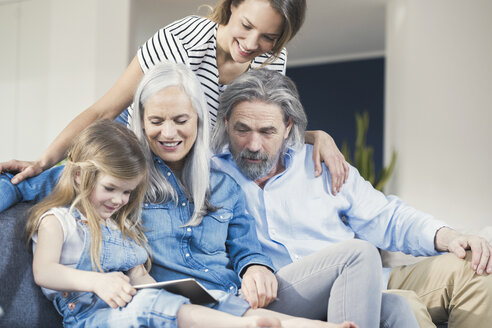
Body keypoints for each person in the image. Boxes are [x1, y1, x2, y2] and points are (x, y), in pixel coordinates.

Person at [3, 63, 360, 328]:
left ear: (199, 121)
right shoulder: (119, 173)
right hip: (170, 307)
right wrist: (38, 164)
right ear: (141, 121)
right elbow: (29, 183)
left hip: (224, 299)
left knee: (387, 305)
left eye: (180, 120)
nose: (168, 133)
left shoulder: (223, 182)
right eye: (156, 120)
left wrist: (255, 266)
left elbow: (246, 246)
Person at [210, 68, 492, 327]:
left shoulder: (321, 162)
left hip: (372, 277)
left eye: (267, 131)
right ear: (226, 123)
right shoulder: (210, 175)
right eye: (242, 130)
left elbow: (386, 217)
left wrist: (450, 236)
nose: (254, 145)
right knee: (400, 305)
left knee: (477, 268)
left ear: (288, 128)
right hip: (287, 294)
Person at [0, 0, 348, 195]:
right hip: (137, 144)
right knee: (41, 187)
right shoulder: (181, 41)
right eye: (246, 25)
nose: (253, 44)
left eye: (269, 37)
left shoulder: (272, 61)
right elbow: (105, 109)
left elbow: (258, 128)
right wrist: (45, 160)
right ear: (232, 7)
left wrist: (317, 136)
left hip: (190, 162)